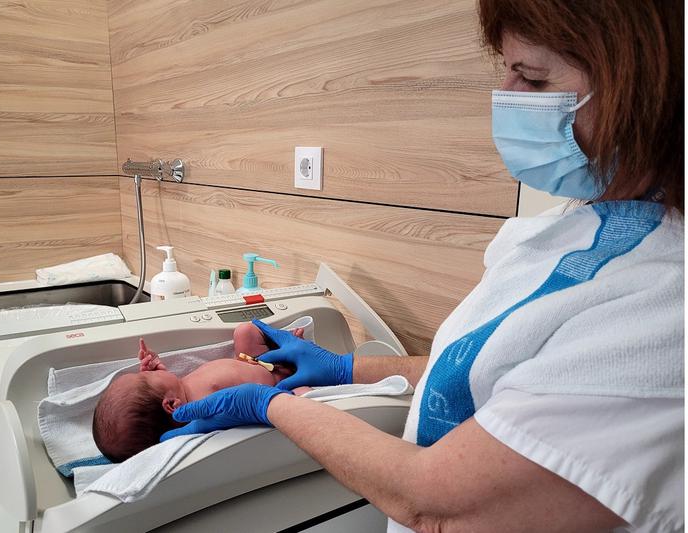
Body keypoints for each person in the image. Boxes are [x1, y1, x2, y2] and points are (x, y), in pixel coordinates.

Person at [159, 1, 684, 531]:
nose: (507, 98)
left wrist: (271, 407)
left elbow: (437, 504)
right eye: (507, 70)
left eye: (531, 77)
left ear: (641, 89)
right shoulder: (573, 230)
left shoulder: (664, 305)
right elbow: (486, 375)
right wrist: (348, 370)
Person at [92, 322, 308, 462]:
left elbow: (170, 389)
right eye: (144, 376)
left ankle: (289, 348)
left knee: (244, 332)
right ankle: (299, 357)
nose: (144, 370)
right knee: (305, 400)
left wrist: (161, 373)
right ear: (171, 405)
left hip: (254, 360)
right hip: (279, 387)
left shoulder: (181, 390)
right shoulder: (203, 412)